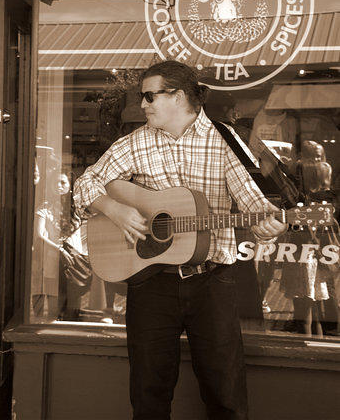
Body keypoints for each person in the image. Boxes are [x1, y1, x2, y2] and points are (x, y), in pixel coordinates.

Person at [73, 60, 287, 420]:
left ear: (180, 95)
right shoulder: (135, 143)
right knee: (148, 391)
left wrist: (269, 222)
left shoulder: (225, 139)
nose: (143, 104)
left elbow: (252, 200)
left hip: (212, 282)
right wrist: (115, 210)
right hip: (152, 281)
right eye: (143, 97)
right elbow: (85, 184)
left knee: (226, 392)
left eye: (150, 96)